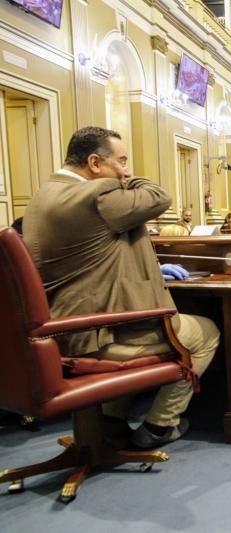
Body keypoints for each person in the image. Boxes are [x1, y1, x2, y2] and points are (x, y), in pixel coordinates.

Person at [23, 126, 220, 449]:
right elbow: (159, 197)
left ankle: (110, 421)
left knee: (140, 325)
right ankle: (159, 426)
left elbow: (90, 256)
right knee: (206, 332)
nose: (126, 170)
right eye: (123, 161)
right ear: (95, 163)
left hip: (57, 330)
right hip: (94, 335)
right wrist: (130, 179)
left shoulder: (43, 196)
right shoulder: (97, 195)